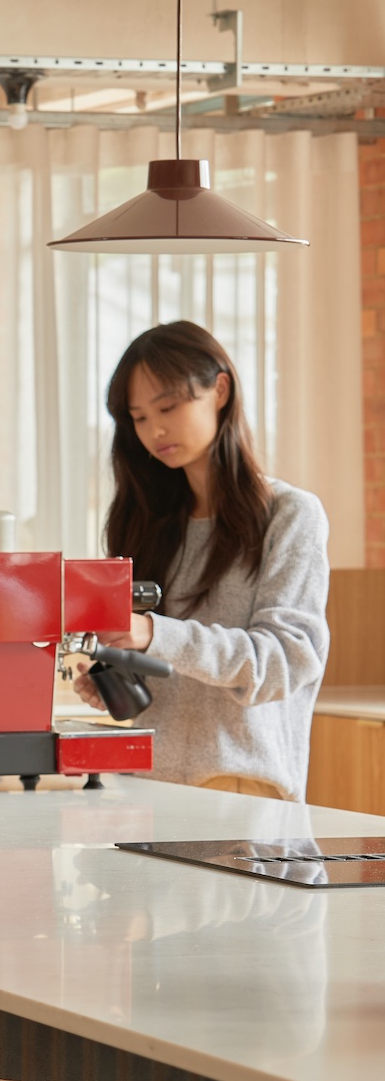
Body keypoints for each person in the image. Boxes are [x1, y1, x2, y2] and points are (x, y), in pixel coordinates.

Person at [74, 320, 329, 802]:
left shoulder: (290, 516)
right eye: (139, 417)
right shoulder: (148, 522)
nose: (156, 430)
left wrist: (154, 634)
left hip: (243, 790)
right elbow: (170, 677)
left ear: (220, 390)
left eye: (168, 406)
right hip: (144, 790)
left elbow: (285, 663)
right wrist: (116, 674)